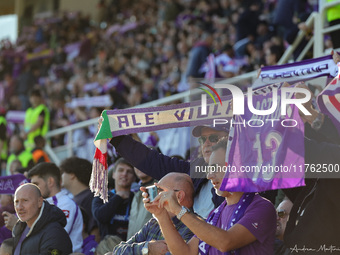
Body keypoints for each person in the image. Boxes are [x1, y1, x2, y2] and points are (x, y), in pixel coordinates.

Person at [144, 137, 276, 254]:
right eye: (209, 169)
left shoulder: (262, 207)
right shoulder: (215, 213)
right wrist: (161, 215)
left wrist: (179, 210)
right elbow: (185, 252)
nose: (209, 176)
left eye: (215, 168)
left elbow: (225, 242)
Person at [109, 124, 227, 219]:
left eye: (213, 138)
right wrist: (117, 139)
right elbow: (155, 162)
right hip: (196, 243)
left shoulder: (239, 171)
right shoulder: (196, 167)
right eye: (202, 139)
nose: (206, 144)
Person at [113, 172, 195, 255]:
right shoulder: (153, 223)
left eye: (159, 191)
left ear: (179, 196)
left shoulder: (196, 227)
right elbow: (117, 251)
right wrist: (148, 248)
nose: (155, 196)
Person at [28, 162, 83, 252]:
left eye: (36, 184)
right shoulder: (43, 204)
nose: (33, 189)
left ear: (50, 182)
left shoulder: (66, 204)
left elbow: (54, 237)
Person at [12, 183, 72, 254]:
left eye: (25, 200)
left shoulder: (54, 233)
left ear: (39, 201)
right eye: (16, 202)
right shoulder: (20, 229)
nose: (19, 207)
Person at [92, 158, 136, 242]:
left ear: (134, 178)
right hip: (108, 248)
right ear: (113, 174)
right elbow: (100, 216)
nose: (124, 174)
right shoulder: (101, 197)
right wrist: (118, 197)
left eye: (129, 172)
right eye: (120, 170)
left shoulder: (136, 199)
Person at [60, 157, 99, 241]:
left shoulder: (90, 197)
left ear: (72, 175)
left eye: (62, 173)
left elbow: (95, 230)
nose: (60, 177)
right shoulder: (72, 199)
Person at [127, 167, 155, 240]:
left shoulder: (159, 189)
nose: (140, 165)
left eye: (146, 160)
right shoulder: (136, 194)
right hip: (134, 249)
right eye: (137, 162)